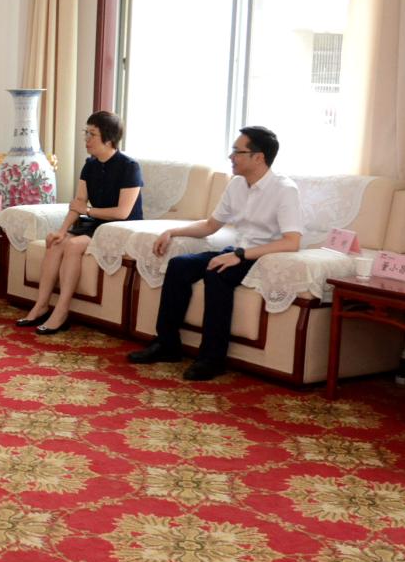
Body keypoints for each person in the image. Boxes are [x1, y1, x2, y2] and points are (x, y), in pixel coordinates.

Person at [127, 126, 302, 381]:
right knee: (179, 265)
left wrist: (241, 255)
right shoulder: (237, 185)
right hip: (237, 251)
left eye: (237, 152)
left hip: (264, 258)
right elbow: (210, 225)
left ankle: (212, 359)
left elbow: (292, 242)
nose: (231, 157)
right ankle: (167, 344)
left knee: (217, 273)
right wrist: (172, 232)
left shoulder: (285, 189)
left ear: (259, 157)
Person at [17, 111, 143, 335]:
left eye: (92, 134)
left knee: (73, 245)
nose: (86, 139)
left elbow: (123, 212)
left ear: (109, 139)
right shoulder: (90, 166)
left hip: (122, 228)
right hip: (96, 224)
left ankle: (61, 312)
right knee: (56, 243)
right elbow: (79, 203)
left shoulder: (129, 167)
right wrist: (61, 230)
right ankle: (41, 305)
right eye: (86, 133)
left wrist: (87, 211)